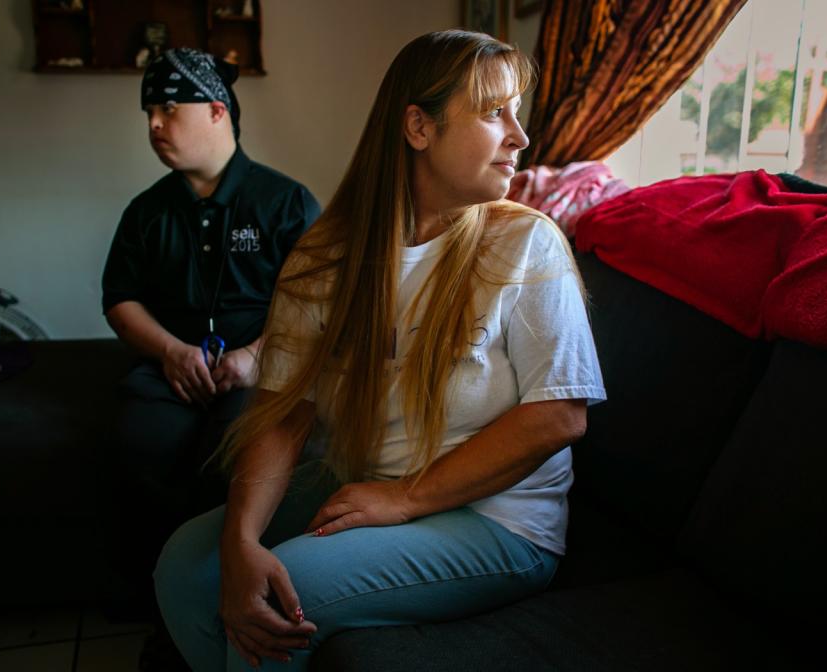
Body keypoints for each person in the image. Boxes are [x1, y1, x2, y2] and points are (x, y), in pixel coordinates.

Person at [153, 30, 606, 671]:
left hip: (499, 523)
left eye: (516, 111)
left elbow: (561, 415)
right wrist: (239, 538)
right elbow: (286, 410)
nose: (519, 136)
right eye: (492, 111)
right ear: (418, 127)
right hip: (365, 484)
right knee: (183, 565)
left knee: (287, 587)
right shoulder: (325, 257)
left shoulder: (528, 244)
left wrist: (405, 498)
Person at [100, 47, 320, 607]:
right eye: (149, 111)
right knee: (137, 442)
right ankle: (154, 601)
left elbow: (319, 299)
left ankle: (228, 595)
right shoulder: (145, 212)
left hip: (258, 373)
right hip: (169, 372)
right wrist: (171, 351)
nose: (153, 124)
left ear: (218, 111)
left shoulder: (286, 202)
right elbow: (119, 298)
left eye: (169, 108)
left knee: (232, 452)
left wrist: (255, 354)